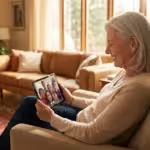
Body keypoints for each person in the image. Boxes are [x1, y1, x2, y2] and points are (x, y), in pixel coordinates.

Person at [1, 11, 150, 150]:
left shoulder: (137, 88)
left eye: (111, 43)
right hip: (82, 117)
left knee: (29, 105)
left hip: (82, 130)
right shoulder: (126, 73)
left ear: (133, 44)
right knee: (31, 103)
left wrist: (52, 118)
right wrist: (72, 100)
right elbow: (103, 105)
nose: (106, 50)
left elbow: (93, 133)